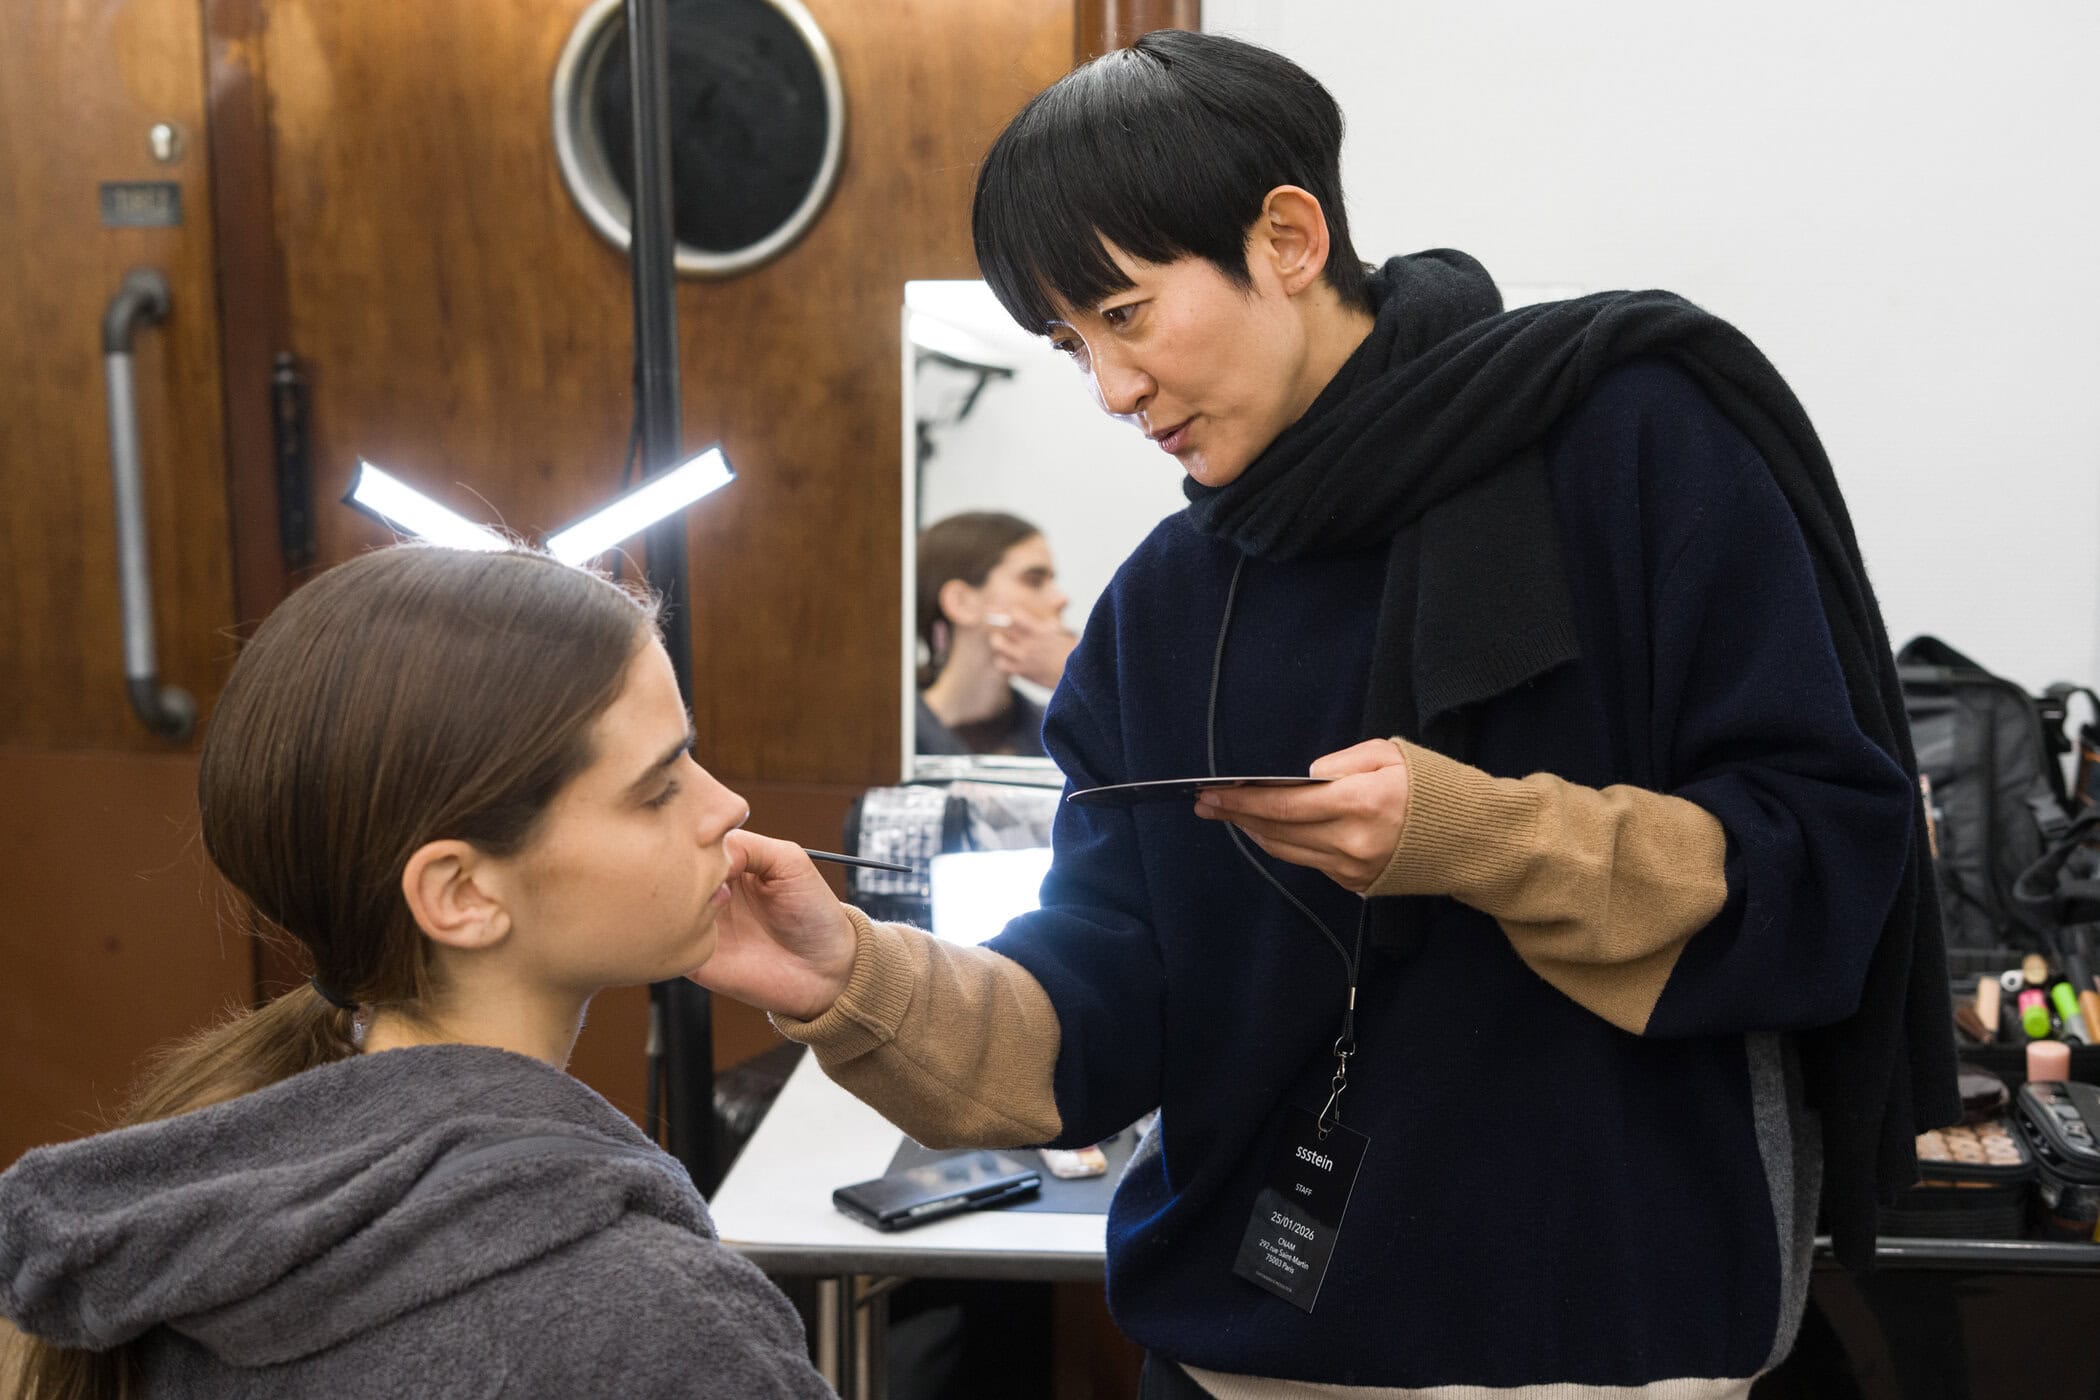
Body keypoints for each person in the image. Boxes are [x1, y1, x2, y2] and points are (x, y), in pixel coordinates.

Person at [697, 28, 1958, 1400]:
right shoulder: (1165, 615)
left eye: (1124, 316)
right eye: (1071, 346)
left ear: (1289, 236)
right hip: (1254, 1362)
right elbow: (1100, 1015)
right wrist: (854, 982)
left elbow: (1826, 866)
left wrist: (1478, 838)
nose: (1111, 392)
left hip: (1618, 1348)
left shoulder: (1635, 444)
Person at [0, 546, 833, 1399]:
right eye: (659, 789)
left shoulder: (199, 1230)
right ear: (462, 892)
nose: (725, 806)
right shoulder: (663, 1328)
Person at [914, 511, 1075, 758]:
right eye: (1034, 580)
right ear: (961, 602)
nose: (1061, 599)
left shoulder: (1062, 736)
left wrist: (1078, 678)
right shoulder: (894, 739)